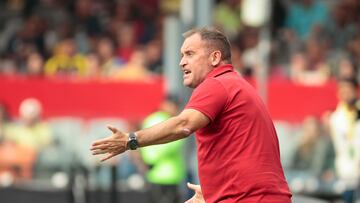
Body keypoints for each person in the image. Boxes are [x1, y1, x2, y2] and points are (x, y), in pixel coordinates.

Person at [91, 27, 292, 202]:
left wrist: (130, 140)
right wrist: (214, 193)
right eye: (181, 55)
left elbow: (183, 124)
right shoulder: (235, 85)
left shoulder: (217, 83)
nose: (182, 63)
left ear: (215, 57)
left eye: (189, 54)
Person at [329, 77, 360, 203]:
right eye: (342, 89)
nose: (345, 92)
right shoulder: (335, 118)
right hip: (346, 173)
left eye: (348, 89)